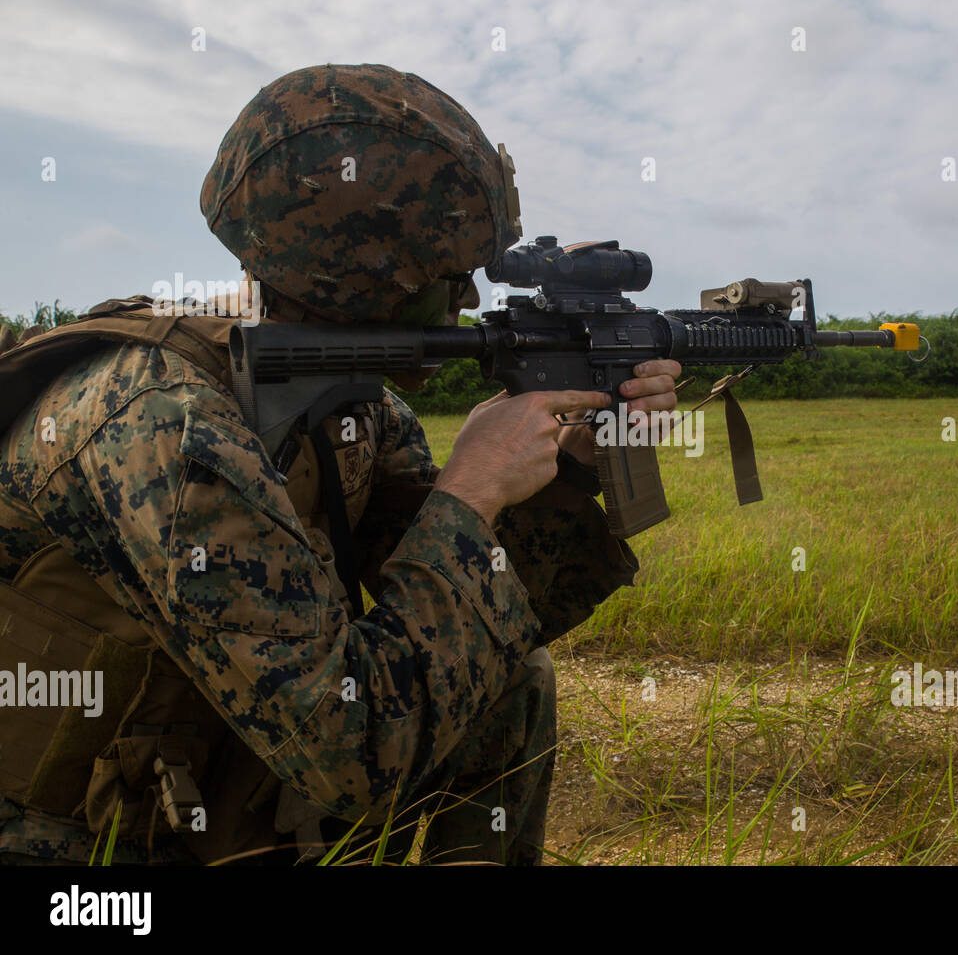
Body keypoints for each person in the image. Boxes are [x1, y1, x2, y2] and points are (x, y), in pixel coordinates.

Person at [0, 63, 682, 865]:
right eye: (447, 274)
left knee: (511, 681)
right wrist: (470, 489)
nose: (467, 299)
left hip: (207, 760)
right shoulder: (165, 425)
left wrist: (563, 472)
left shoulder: (355, 410)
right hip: (79, 837)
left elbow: (483, 617)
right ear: (360, 275)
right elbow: (351, 758)